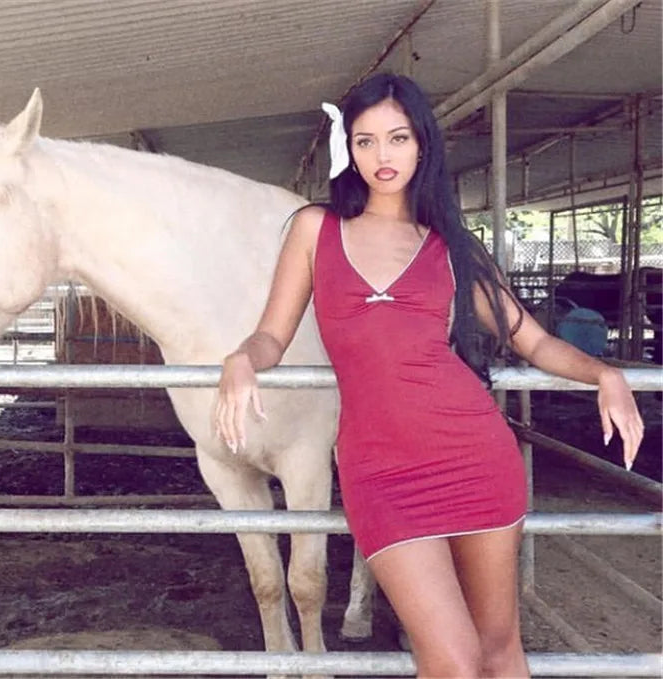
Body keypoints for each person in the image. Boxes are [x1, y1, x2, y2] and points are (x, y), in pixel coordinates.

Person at [214, 72, 644, 678]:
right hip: (381, 473)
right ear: (350, 151)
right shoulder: (316, 229)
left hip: (474, 456)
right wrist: (241, 359)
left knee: (499, 653)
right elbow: (272, 336)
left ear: (422, 145)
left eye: (397, 139)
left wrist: (605, 374)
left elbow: (535, 339)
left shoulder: (452, 248)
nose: (382, 156)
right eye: (365, 142)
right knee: (452, 661)